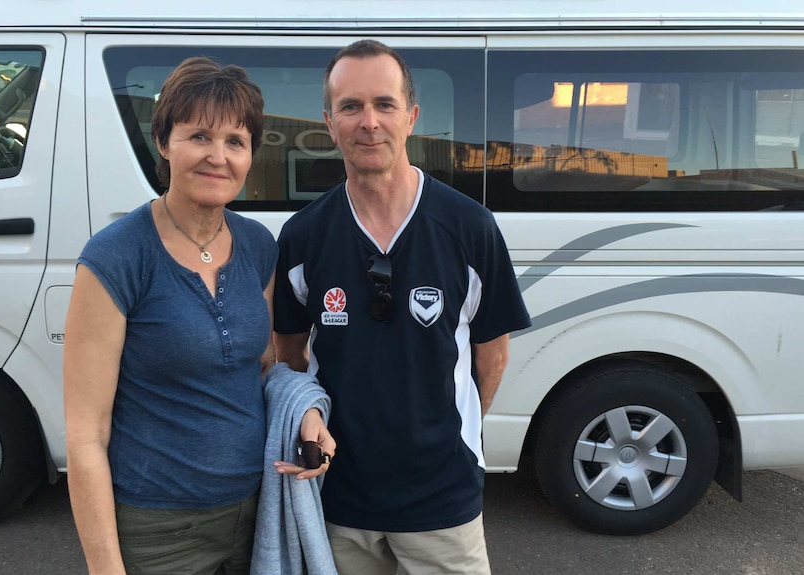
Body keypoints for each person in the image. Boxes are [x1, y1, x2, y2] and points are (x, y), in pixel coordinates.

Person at [64, 56, 332, 575]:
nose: (218, 156)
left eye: (236, 141)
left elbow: (262, 369)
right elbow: (85, 436)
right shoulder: (116, 257)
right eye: (199, 137)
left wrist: (306, 412)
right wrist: (104, 567)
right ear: (164, 143)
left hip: (257, 510)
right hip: (158, 529)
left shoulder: (257, 245)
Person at [272, 39, 532, 574]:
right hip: (340, 498)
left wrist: (442, 438)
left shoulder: (469, 228)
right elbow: (291, 356)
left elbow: (493, 357)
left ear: (411, 116)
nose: (369, 122)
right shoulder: (303, 236)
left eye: (384, 104)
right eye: (351, 106)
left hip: (442, 500)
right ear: (329, 121)